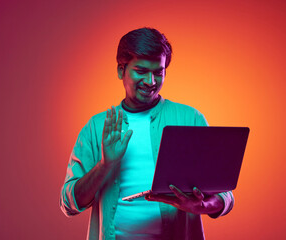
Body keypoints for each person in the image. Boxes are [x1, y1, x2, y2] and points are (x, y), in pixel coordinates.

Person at [60, 27, 234, 240]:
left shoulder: (191, 119)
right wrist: (105, 165)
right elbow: (69, 204)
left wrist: (205, 204)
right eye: (141, 71)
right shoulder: (97, 127)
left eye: (158, 72)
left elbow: (224, 194)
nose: (151, 82)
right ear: (120, 70)